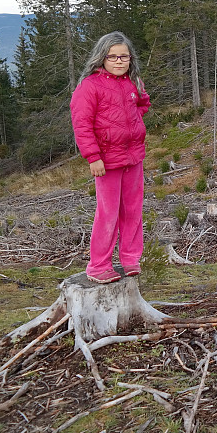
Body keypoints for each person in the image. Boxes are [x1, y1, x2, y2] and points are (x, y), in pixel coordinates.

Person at [70, 32, 151, 284]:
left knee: (133, 210)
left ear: (130, 58)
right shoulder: (89, 86)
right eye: (112, 56)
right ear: (101, 58)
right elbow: (81, 125)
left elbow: (141, 105)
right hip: (106, 162)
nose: (118, 61)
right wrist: (93, 157)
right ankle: (98, 265)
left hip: (133, 157)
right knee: (108, 213)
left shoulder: (130, 82)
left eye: (124, 56)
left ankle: (130, 259)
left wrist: (136, 109)